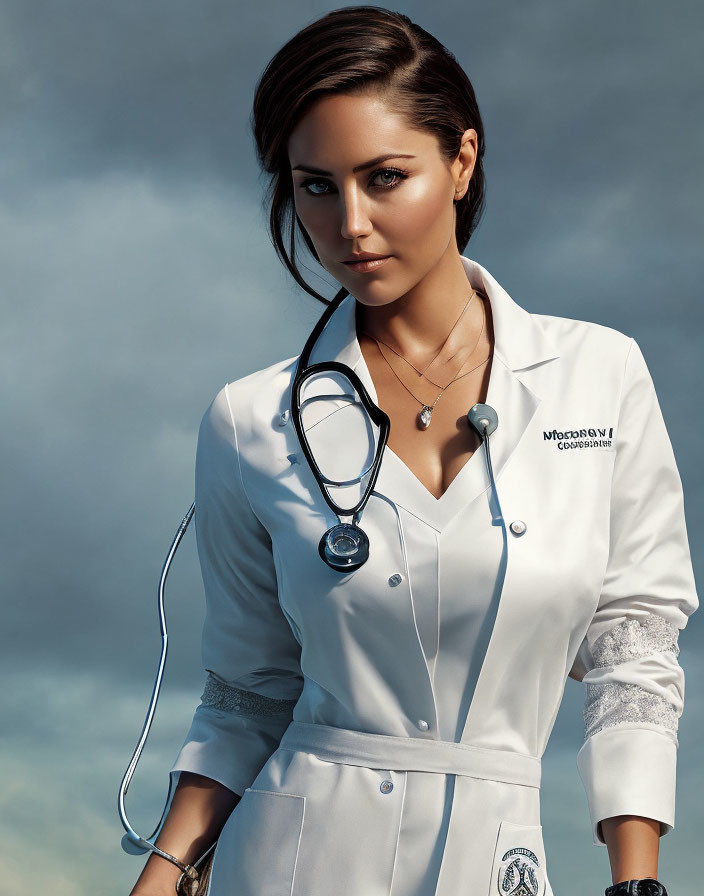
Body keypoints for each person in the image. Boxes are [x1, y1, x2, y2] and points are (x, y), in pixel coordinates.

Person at [128, 8, 698, 896]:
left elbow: (634, 648)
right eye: (315, 186)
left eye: (385, 178)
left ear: (461, 161)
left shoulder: (600, 374)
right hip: (291, 862)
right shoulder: (250, 420)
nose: (349, 224)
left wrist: (636, 879)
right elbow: (246, 690)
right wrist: (163, 872)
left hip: (497, 853)